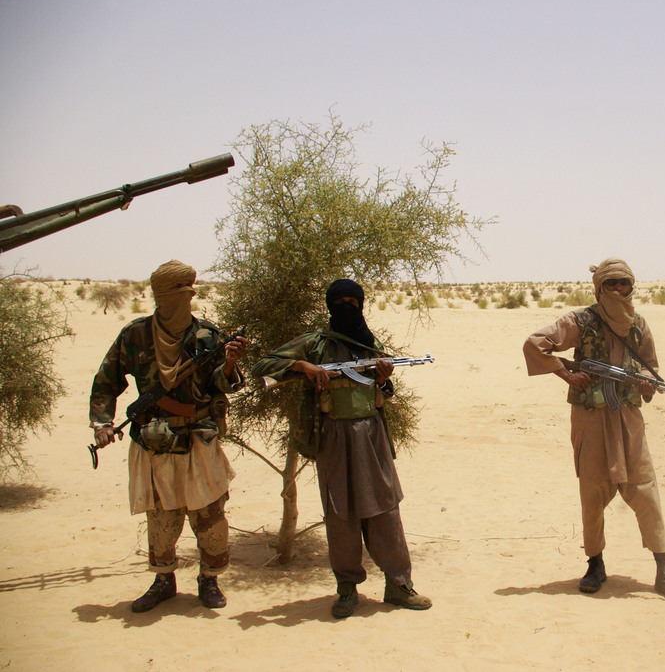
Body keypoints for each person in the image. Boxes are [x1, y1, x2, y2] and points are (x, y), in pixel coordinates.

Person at [251, 279, 431, 619]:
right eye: (341, 301)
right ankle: (347, 589)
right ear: (330, 305)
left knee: (385, 509)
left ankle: (398, 586)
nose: (348, 306)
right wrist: (303, 366)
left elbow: (385, 393)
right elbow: (262, 366)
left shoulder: (369, 341)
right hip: (333, 435)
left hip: (372, 436)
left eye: (353, 300)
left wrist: (382, 378)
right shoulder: (314, 343)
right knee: (340, 513)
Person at [523, 258, 665, 602]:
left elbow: (650, 366)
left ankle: (664, 568)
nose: (618, 290)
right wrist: (566, 373)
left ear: (632, 287)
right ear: (598, 288)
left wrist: (647, 384)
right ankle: (595, 564)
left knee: (644, 488)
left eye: (624, 284)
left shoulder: (639, 324)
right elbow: (535, 344)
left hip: (628, 419)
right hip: (590, 418)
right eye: (610, 284)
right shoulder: (580, 321)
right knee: (593, 492)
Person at [89, 260, 247, 613]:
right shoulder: (135, 336)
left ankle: (209, 579)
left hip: (199, 440)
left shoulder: (207, 335)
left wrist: (232, 364)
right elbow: (106, 380)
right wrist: (102, 423)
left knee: (209, 515)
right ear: (161, 295)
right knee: (161, 516)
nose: (185, 299)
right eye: (177, 292)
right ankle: (163, 580)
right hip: (154, 441)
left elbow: (223, 385)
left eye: (188, 292)